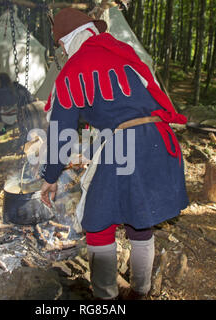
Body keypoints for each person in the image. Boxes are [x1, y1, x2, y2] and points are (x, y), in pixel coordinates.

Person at [40, 8, 189, 300]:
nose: (62, 51)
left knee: (97, 222)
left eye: (60, 45)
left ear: (68, 40)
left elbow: (62, 132)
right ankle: (140, 292)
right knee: (140, 219)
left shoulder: (75, 67)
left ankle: (106, 299)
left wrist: (50, 176)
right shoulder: (123, 51)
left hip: (127, 143)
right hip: (160, 139)